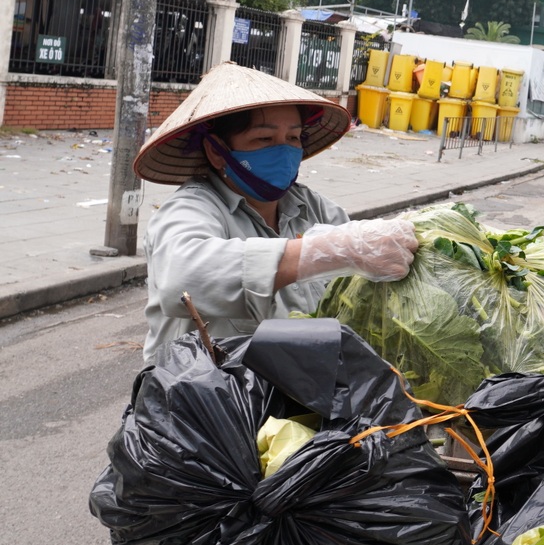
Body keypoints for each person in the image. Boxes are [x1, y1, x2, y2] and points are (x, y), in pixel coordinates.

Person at [133, 62, 418, 364]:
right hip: (206, 400)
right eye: (264, 139)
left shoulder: (313, 207)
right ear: (217, 151)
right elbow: (182, 277)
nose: (283, 151)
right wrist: (324, 252)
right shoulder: (191, 209)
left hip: (301, 395)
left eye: (293, 138)